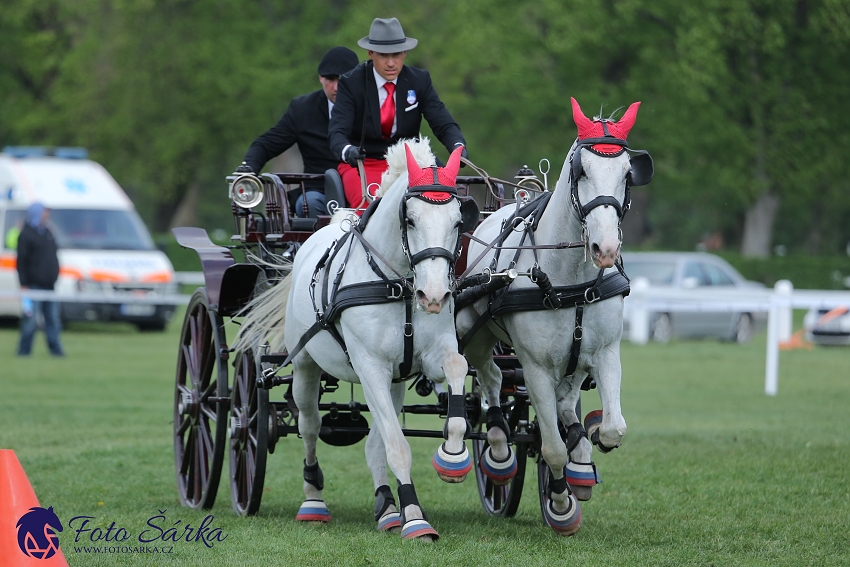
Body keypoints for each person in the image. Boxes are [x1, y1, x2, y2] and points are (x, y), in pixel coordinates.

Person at [328, 17, 468, 208]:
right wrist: (347, 151)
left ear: (405, 53)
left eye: (397, 54)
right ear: (370, 53)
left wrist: (457, 147)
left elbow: (443, 123)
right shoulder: (351, 83)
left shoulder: (419, 80)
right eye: (384, 56)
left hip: (411, 163)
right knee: (370, 212)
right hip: (364, 164)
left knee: (443, 204)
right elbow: (337, 133)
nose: (391, 63)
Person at [242, 46, 360, 217]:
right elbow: (266, 144)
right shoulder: (303, 110)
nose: (336, 87)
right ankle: (322, 245)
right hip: (319, 192)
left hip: (365, 189)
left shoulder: (373, 108)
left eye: (342, 80)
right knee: (309, 203)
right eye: (330, 79)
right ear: (320, 78)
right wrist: (248, 170)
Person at [16, 202, 64, 357]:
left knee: (53, 320)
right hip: (33, 286)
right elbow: (21, 262)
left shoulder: (48, 232)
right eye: (44, 211)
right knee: (31, 321)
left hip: (49, 285)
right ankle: (24, 352)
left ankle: (56, 351)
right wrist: (23, 284)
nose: (47, 215)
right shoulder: (26, 234)